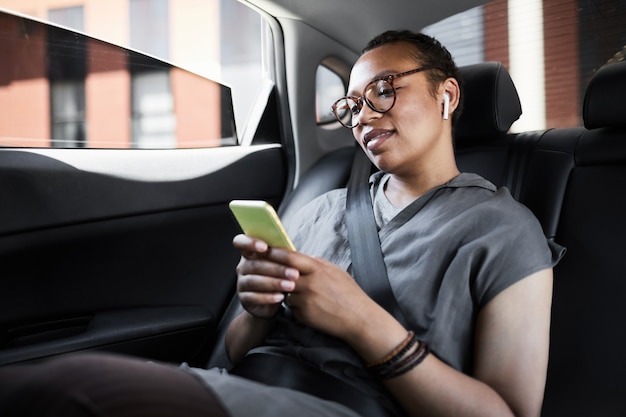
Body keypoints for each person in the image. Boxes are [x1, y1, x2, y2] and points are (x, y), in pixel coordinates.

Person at [0, 30, 563, 417]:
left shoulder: (503, 229)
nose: (363, 115)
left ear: (447, 96)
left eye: (384, 91)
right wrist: (256, 310)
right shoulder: (322, 209)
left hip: (347, 405)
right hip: (249, 387)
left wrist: (365, 324)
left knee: (68, 391)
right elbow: (234, 355)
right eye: (351, 106)